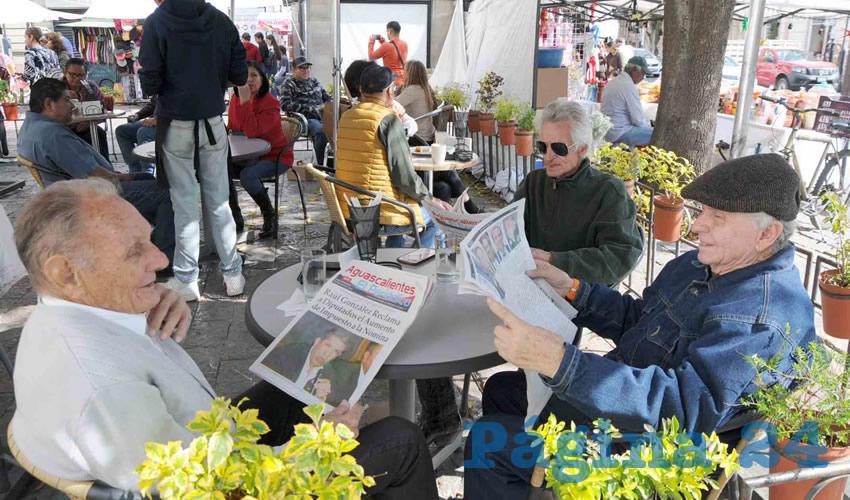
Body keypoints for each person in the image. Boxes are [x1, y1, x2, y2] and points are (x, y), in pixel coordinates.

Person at [11, 179, 439, 498]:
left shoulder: (76, 307)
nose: (160, 260)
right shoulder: (104, 391)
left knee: (295, 390)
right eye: (133, 252)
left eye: (148, 240)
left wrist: (140, 294)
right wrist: (320, 444)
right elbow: (214, 488)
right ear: (66, 272)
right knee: (401, 441)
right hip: (229, 479)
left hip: (207, 431)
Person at [463, 154, 818, 500]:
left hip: (651, 455)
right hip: (625, 404)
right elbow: (640, 321)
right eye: (703, 212)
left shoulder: (759, 318)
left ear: (766, 234)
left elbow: (681, 412)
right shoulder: (703, 264)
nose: (697, 226)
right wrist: (573, 289)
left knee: (486, 440)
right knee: (500, 388)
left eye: (718, 217)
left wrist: (561, 363)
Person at [140, 0, 247, 302]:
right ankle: (233, 275)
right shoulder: (220, 20)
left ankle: (187, 280)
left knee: (183, 206)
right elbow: (239, 73)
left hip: (175, 122)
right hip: (212, 120)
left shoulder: (157, 20)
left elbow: (149, 82)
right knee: (219, 202)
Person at [17, 79, 174, 266]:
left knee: (147, 178)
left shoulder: (31, 127)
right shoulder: (52, 135)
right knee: (165, 192)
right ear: (49, 104)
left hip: (74, 189)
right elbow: (96, 175)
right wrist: (125, 176)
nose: (71, 106)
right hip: (89, 195)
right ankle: (165, 259)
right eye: (66, 101)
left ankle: (149, 244)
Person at [516, 99, 643, 286]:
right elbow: (511, 230)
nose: (548, 156)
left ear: (582, 148)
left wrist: (554, 260)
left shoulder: (608, 191)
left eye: (559, 148)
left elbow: (620, 257)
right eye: (543, 146)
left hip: (583, 299)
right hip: (531, 288)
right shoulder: (533, 182)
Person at [336, 64, 439, 248]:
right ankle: (415, 266)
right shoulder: (387, 120)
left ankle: (393, 263)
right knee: (436, 218)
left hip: (349, 207)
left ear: (361, 90)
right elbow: (404, 176)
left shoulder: (347, 116)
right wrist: (430, 200)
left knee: (402, 207)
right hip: (377, 210)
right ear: (390, 91)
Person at [227, 61, 293, 239]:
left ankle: (269, 216)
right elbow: (232, 127)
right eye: (245, 76)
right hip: (246, 155)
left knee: (248, 175)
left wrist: (246, 102)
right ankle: (235, 218)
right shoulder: (235, 99)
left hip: (274, 156)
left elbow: (252, 132)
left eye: (254, 75)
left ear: (263, 79)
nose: (249, 80)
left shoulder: (270, 102)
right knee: (219, 170)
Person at [262, 330, 352, 397]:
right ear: (317, 342)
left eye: (336, 352)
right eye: (327, 345)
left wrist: (325, 397)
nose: (327, 354)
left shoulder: (334, 377)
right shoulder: (287, 353)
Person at [279, 56, 330, 166]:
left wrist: (336, 104)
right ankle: (320, 166)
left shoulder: (314, 81)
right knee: (321, 131)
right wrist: (307, 108)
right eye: (302, 68)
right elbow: (284, 104)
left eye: (307, 68)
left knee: (340, 129)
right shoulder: (289, 84)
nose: (305, 71)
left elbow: (327, 97)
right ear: (294, 69)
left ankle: (335, 164)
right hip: (304, 119)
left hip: (322, 116)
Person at [600, 56, 654, 147]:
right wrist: (647, 126)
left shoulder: (613, 82)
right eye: (642, 73)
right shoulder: (629, 87)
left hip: (608, 130)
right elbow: (638, 119)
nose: (643, 77)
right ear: (634, 70)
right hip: (619, 131)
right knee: (657, 134)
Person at [61, 58, 110, 158]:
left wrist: (89, 123)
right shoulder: (57, 88)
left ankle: (106, 167)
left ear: (85, 74)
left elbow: (103, 109)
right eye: (72, 74)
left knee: (98, 133)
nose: (77, 78)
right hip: (64, 129)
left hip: (88, 127)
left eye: (80, 75)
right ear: (65, 73)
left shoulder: (90, 87)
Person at [116, 95, 158, 175]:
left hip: (171, 123)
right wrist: (138, 115)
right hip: (155, 120)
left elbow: (181, 108)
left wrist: (158, 120)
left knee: (143, 132)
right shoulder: (161, 85)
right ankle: (135, 171)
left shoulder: (179, 85)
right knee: (121, 131)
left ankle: (147, 172)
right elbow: (153, 105)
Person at [368, 21, 407, 88]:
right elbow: (392, 54)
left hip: (391, 81)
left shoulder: (386, 46)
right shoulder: (405, 44)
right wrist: (383, 42)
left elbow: (371, 57)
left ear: (390, 31)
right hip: (402, 80)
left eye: (387, 31)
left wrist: (371, 41)